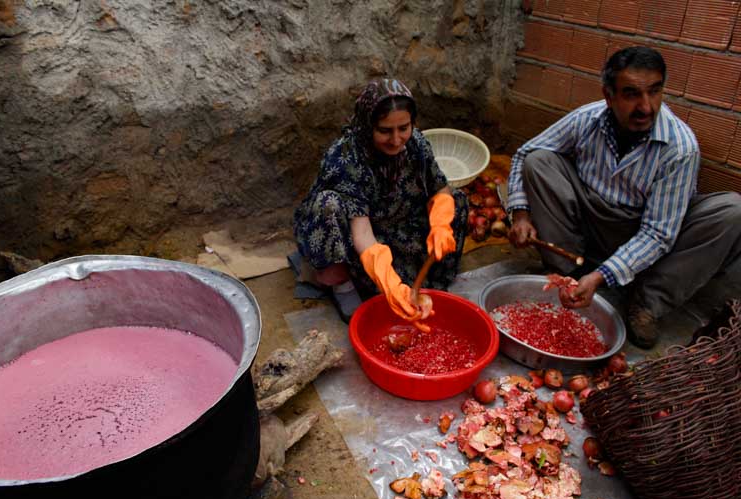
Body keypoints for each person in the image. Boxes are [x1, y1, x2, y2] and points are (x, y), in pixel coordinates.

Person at [506, 46, 741, 349]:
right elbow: (525, 151)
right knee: (539, 161)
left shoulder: (680, 147)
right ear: (609, 96)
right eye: (631, 94)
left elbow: (658, 234)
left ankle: (647, 302)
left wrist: (603, 275)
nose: (646, 107)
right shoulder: (587, 119)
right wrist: (521, 213)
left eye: (654, 92)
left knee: (732, 211)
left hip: (649, 237)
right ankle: (568, 274)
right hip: (592, 220)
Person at [293, 78, 468, 323]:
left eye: (403, 128)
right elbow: (362, 234)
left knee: (456, 201)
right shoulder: (346, 157)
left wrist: (440, 225)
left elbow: (440, 189)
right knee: (329, 205)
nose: (396, 140)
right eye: (385, 131)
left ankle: (426, 279)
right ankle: (341, 284)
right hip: (358, 234)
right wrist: (391, 284)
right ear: (368, 125)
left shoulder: (416, 144)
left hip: (397, 222)